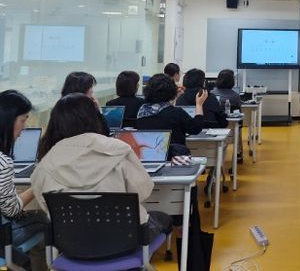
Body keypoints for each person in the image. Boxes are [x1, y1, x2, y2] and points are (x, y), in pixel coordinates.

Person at [31, 94, 172, 244]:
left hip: (72, 243)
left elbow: (44, 205)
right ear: (94, 118)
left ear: (55, 124)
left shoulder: (46, 163)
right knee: (164, 219)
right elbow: (143, 191)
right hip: (124, 239)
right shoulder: (118, 149)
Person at [0, 91, 47, 271]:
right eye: (23, 120)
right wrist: (36, 186)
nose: (24, 127)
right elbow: (11, 210)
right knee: (42, 219)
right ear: (8, 120)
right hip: (3, 239)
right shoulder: (3, 162)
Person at [135, 74, 205, 146]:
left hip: (150, 152)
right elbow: (196, 128)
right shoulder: (177, 113)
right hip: (173, 152)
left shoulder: (142, 110)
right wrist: (199, 104)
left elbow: (164, 110)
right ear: (171, 91)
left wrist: (175, 97)